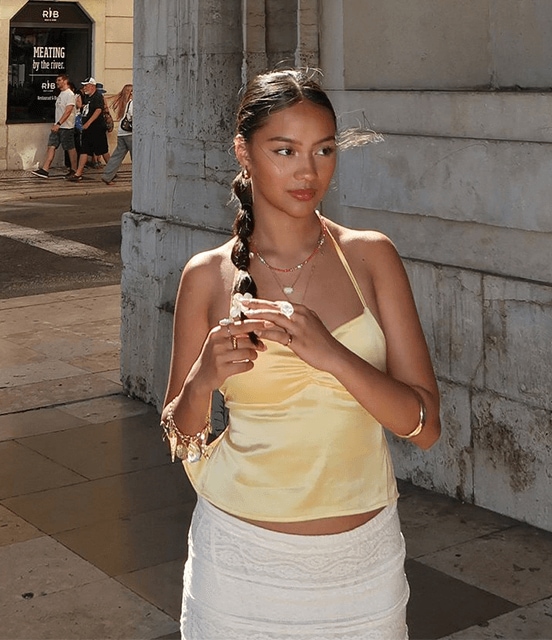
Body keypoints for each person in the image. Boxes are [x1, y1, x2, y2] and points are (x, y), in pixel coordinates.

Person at [161, 68, 441, 639]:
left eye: (324, 150)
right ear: (244, 152)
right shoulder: (207, 277)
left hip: (363, 571)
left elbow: (425, 426)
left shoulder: (371, 258)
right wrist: (201, 381)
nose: (308, 171)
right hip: (239, 567)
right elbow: (179, 436)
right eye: (284, 150)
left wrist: (333, 354)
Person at [31, 74, 77, 178]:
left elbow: (68, 110)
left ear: (65, 81)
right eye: (57, 80)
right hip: (57, 126)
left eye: (59, 80)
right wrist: (56, 124)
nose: (57, 82)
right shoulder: (61, 94)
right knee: (51, 146)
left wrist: (59, 123)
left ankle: (74, 169)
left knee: (70, 148)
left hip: (66, 127)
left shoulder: (69, 94)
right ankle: (45, 169)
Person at [67, 77, 110, 182]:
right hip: (87, 130)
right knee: (84, 150)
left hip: (97, 128)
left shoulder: (97, 97)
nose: (84, 87)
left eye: (86, 85)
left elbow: (98, 110)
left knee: (103, 150)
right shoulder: (87, 98)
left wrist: (88, 123)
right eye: (84, 85)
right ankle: (78, 173)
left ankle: (111, 170)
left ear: (92, 86)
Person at [101, 84, 133, 185]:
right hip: (130, 133)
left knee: (117, 156)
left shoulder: (123, 102)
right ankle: (138, 179)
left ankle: (107, 176)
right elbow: (132, 116)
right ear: (131, 92)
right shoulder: (132, 103)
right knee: (137, 158)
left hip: (121, 133)